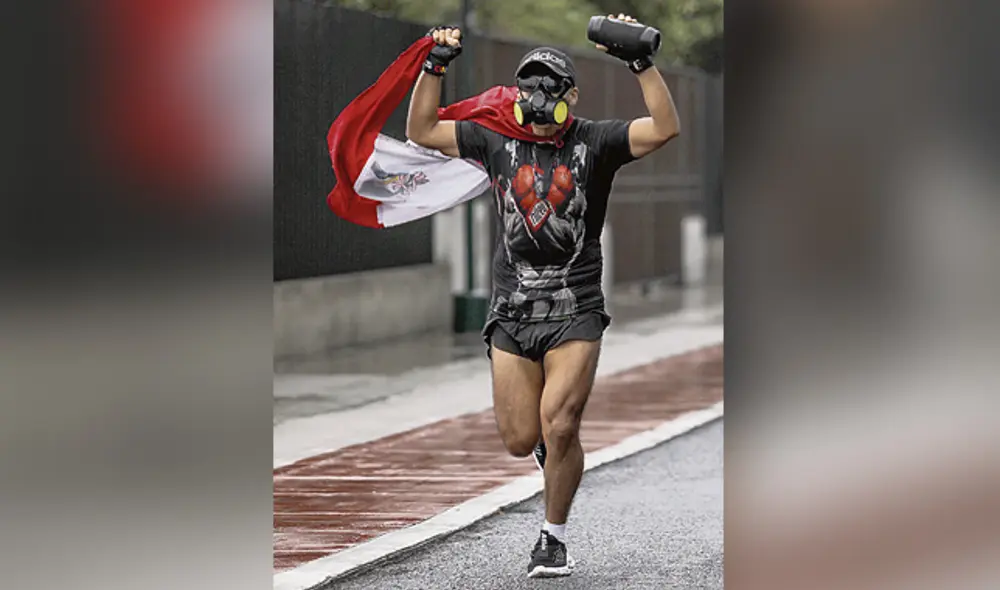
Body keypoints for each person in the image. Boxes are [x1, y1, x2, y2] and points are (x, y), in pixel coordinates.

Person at [405, 14, 680, 579]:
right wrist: (433, 64)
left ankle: (552, 538)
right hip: (511, 312)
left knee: (560, 423)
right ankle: (551, 455)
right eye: (528, 84)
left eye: (549, 86)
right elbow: (422, 130)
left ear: (570, 96)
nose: (537, 95)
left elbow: (663, 127)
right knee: (519, 438)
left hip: (574, 307)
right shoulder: (493, 139)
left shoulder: (595, 141)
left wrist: (639, 60)